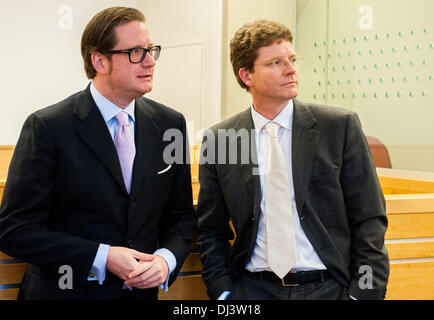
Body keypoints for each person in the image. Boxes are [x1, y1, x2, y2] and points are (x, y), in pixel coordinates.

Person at [0, 7, 195, 300]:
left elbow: (180, 216)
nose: (150, 61)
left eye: (151, 50)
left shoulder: (171, 124)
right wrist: (102, 256)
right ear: (99, 61)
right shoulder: (48, 127)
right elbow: (14, 229)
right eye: (135, 52)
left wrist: (166, 260)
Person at [196, 19, 389, 300]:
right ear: (247, 76)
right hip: (252, 290)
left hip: (329, 288)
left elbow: (369, 219)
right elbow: (211, 229)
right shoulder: (219, 139)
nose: (291, 70)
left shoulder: (339, 126)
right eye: (276, 63)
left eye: (292, 59)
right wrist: (224, 293)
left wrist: (363, 294)